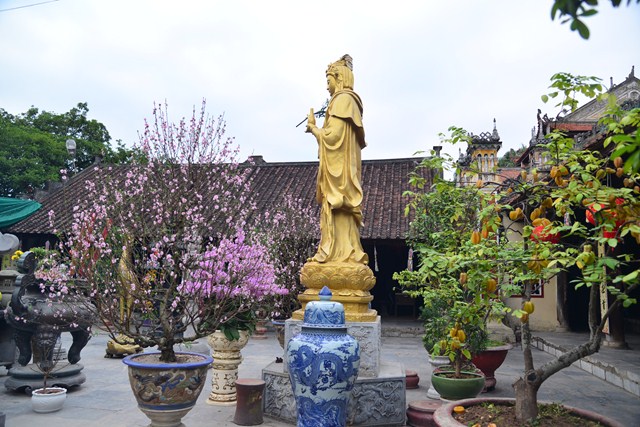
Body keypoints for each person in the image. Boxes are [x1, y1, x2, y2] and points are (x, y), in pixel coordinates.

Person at [305, 54, 368, 265]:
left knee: (338, 206)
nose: (327, 87)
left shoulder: (343, 100)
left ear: (339, 78)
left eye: (328, 80)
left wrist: (314, 128)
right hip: (341, 175)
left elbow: (332, 138)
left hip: (340, 178)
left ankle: (342, 255)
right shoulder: (344, 101)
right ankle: (338, 254)